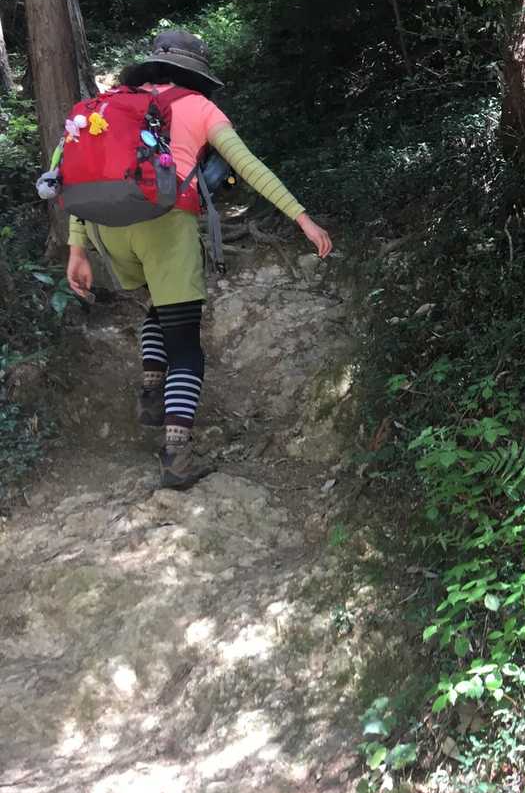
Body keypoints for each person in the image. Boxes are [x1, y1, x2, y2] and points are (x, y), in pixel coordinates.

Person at [65, 29, 333, 489]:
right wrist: (302, 218)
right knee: (186, 343)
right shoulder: (200, 107)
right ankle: (176, 456)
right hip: (165, 225)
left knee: (159, 306)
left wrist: (77, 248)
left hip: (105, 226)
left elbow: (72, 170)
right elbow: (248, 166)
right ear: (195, 72)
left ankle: (153, 393)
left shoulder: (110, 104)